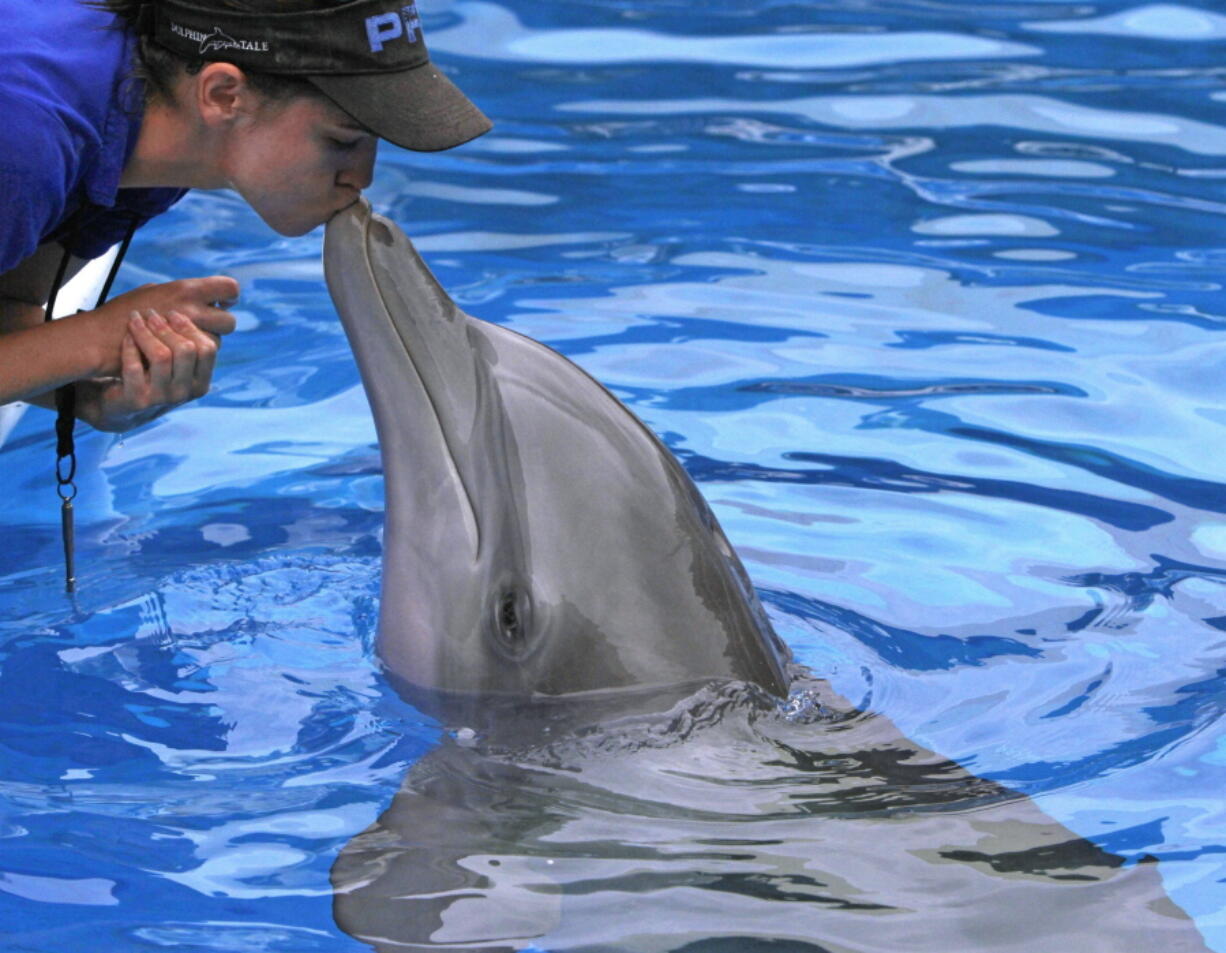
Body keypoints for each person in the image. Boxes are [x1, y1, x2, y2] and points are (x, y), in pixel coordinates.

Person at [0, 0, 490, 432]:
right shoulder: (23, 140)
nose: (360, 178)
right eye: (342, 141)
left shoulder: (150, 124)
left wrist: (84, 397)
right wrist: (91, 342)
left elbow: (10, 304)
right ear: (222, 95)